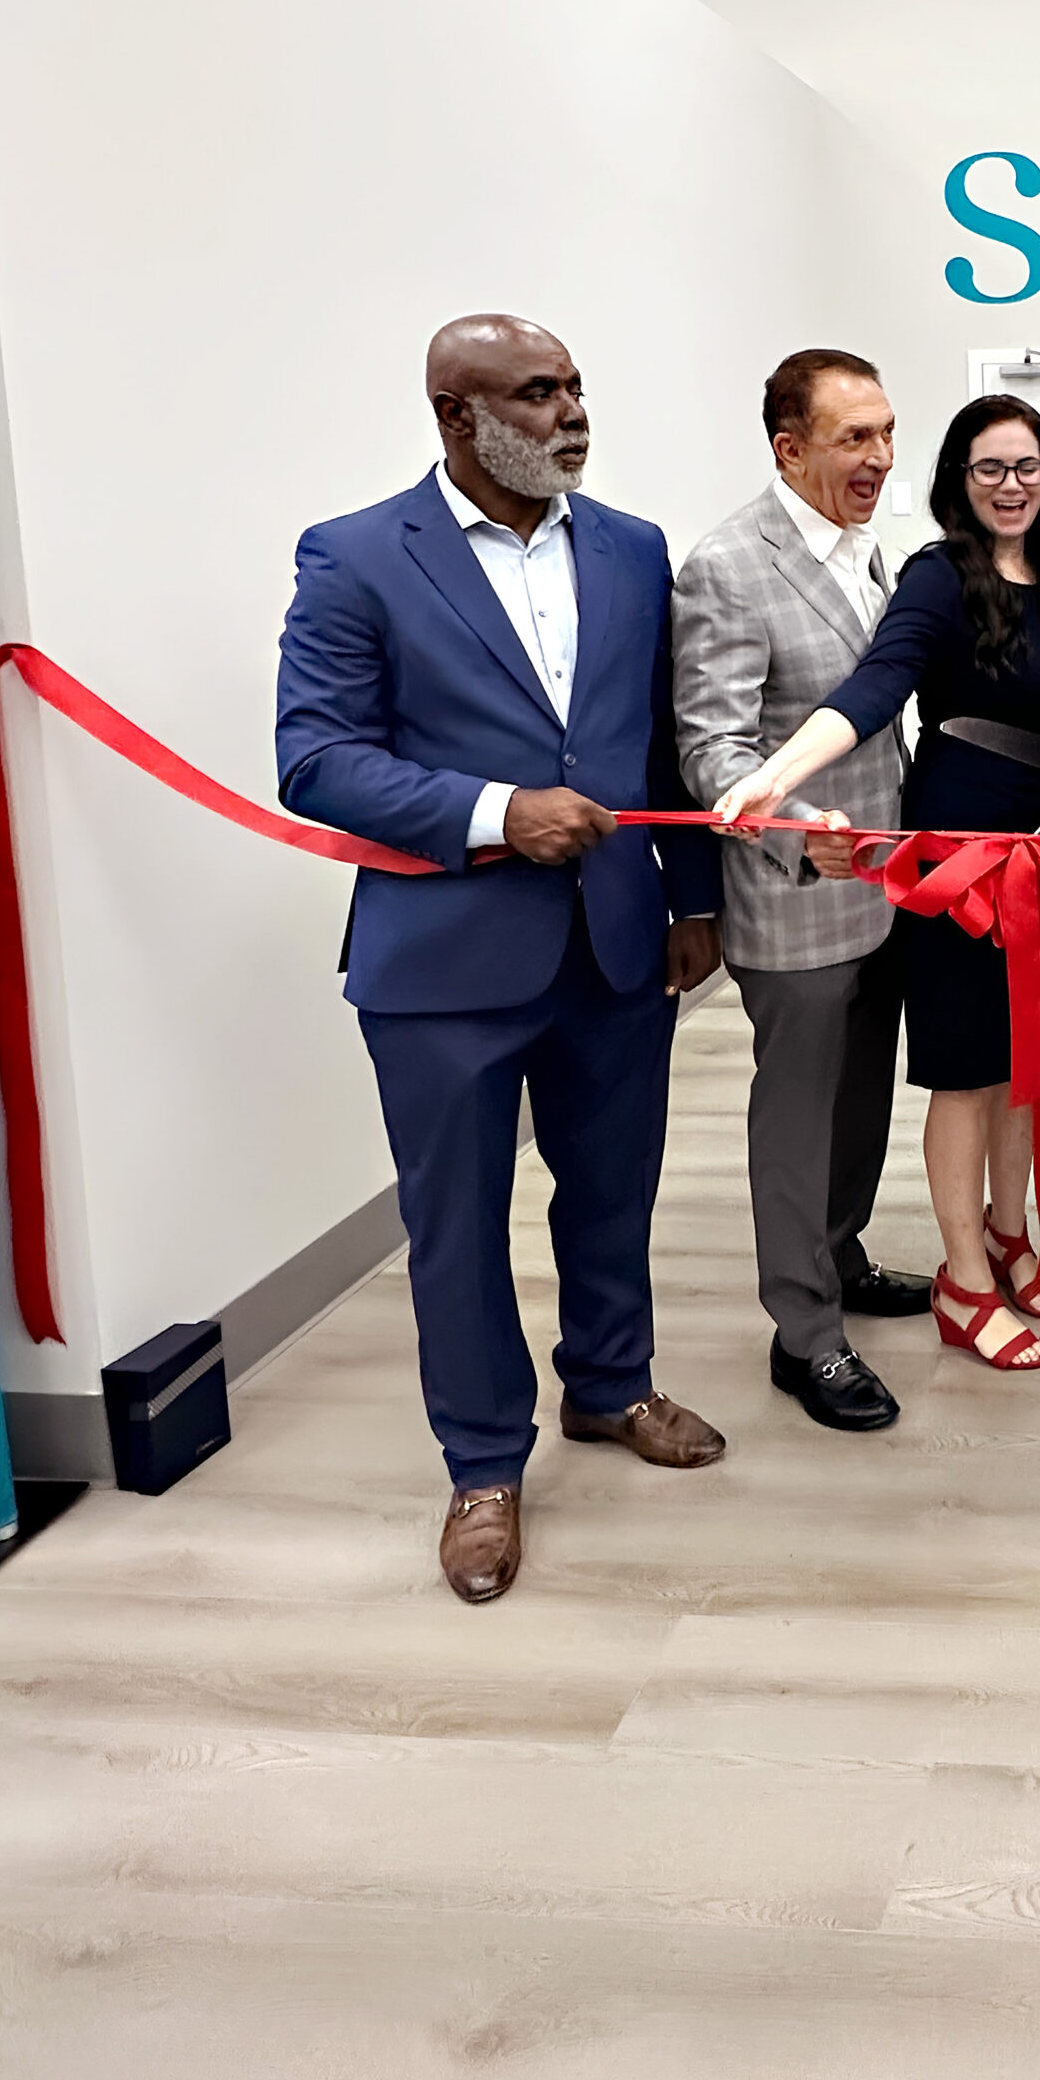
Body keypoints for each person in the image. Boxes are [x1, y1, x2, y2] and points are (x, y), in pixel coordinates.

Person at [276, 316, 726, 1606]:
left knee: (611, 1187)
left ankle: (612, 1383)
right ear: (454, 415)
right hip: (444, 962)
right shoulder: (358, 557)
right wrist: (494, 811)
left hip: (614, 941)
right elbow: (314, 757)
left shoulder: (633, 550)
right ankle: (482, 1464)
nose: (571, 412)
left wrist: (690, 901)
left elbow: (657, 752)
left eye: (578, 386)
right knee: (456, 1224)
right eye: (538, 394)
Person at [715, 397, 1040, 1376]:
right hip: (963, 861)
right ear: (958, 480)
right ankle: (966, 1278)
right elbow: (873, 689)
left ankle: (1009, 1230)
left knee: (1030, 1067)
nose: (1010, 485)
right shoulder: (939, 577)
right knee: (969, 1069)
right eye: (989, 469)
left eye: (1027, 467)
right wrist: (778, 774)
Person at [671, 348, 931, 1439]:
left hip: (883, 891)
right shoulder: (729, 563)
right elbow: (710, 745)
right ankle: (804, 1334)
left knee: (863, 1101)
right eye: (852, 438)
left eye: (883, 432)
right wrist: (792, 831)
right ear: (790, 448)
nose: (877, 456)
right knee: (797, 1116)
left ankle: (840, 1250)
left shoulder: (871, 551)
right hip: (796, 894)